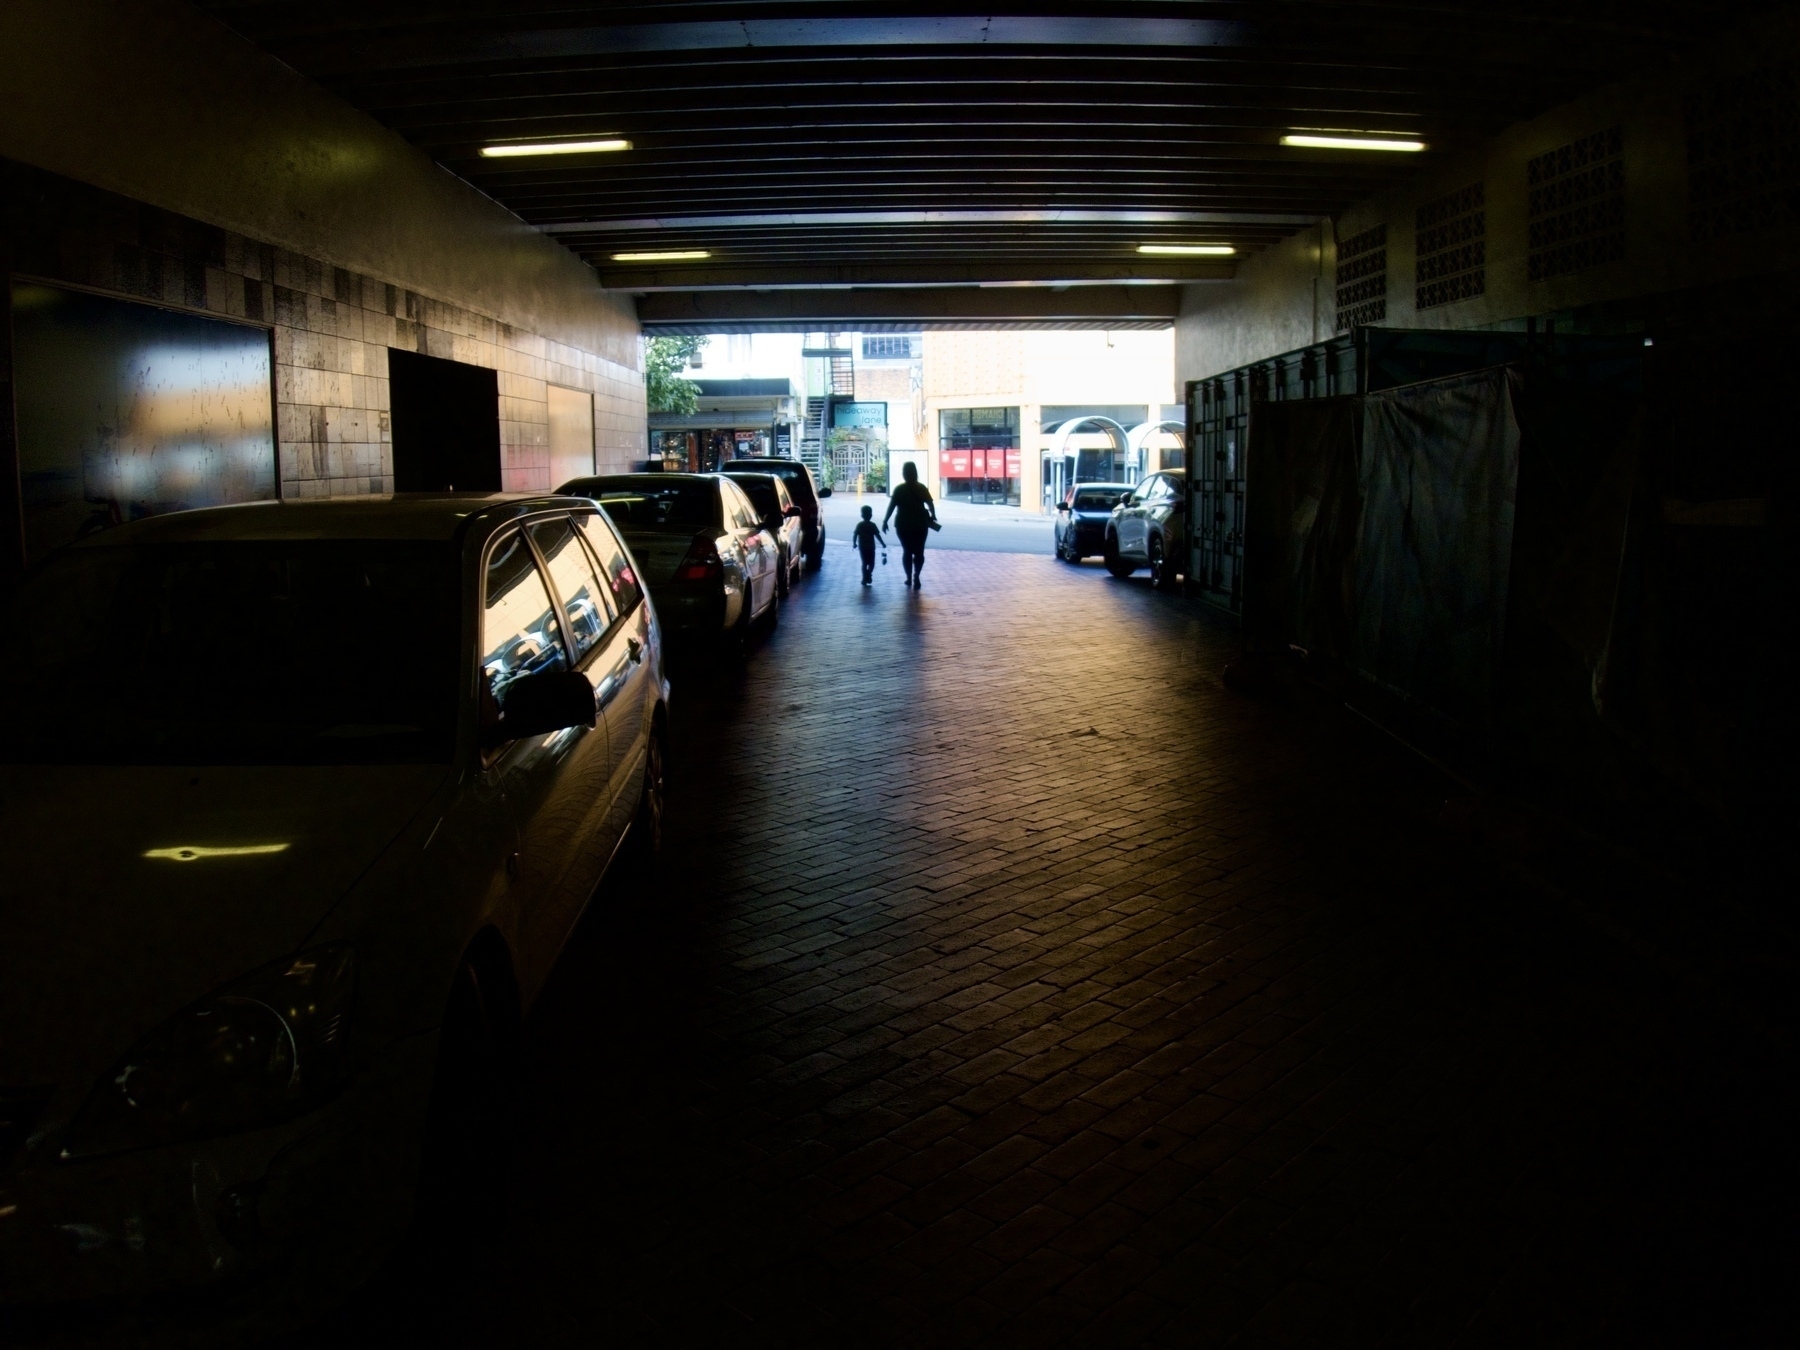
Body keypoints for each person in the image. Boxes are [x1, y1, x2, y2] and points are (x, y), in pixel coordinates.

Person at [882, 461, 939, 589]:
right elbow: (930, 503)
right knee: (919, 552)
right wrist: (933, 515)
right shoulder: (921, 488)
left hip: (903, 525)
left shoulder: (899, 489)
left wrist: (885, 521)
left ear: (904, 474)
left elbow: (892, 506)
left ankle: (908, 577)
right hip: (920, 524)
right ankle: (916, 575)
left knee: (907, 551)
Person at [851, 504, 888, 585]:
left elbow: (855, 534)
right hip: (871, 548)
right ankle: (869, 573)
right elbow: (877, 536)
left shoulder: (860, 525)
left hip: (862, 548)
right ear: (871, 515)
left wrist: (854, 543)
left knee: (864, 563)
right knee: (872, 562)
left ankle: (864, 577)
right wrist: (883, 544)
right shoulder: (872, 525)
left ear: (862, 515)